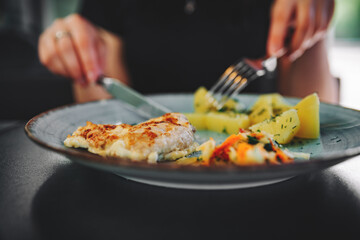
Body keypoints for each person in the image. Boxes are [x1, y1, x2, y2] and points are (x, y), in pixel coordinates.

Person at [38, 0, 339, 104]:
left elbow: (314, 126)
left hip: (263, 181)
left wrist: (312, 36)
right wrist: (81, 59)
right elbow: (110, 116)